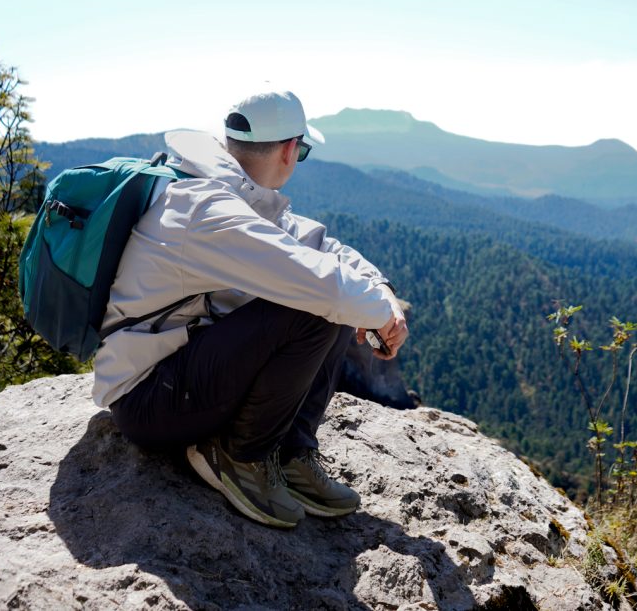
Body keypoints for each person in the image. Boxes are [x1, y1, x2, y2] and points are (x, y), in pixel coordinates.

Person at [91, 88, 408, 529]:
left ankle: (290, 452)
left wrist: (382, 291)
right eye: (304, 151)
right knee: (317, 306)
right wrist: (378, 315)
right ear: (290, 150)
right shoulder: (209, 210)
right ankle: (239, 456)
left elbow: (324, 247)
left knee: (331, 298)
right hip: (149, 400)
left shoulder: (232, 195)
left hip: (180, 375)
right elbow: (326, 287)